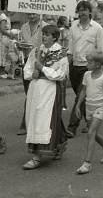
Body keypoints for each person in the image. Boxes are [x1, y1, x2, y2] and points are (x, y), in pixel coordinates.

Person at [22, 25, 69, 170]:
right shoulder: (36, 51)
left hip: (49, 90)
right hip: (35, 90)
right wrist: (32, 74)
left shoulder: (61, 53)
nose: (44, 37)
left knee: (44, 120)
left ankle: (37, 156)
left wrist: (43, 69)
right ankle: (60, 143)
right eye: (43, 34)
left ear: (54, 37)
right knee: (35, 118)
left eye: (47, 34)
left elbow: (61, 74)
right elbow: (27, 68)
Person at [67, 0, 103, 137]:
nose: (83, 12)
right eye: (80, 10)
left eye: (85, 9)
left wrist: (100, 69)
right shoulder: (73, 26)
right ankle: (89, 121)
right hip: (75, 66)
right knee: (82, 96)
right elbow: (70, 49)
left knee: (80, 96)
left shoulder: (97, 28)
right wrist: (67, 68)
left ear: (90, 12)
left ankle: (72, 127)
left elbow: (101, 51)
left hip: (88, 68)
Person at [75, 52, 103, 174]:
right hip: (88, 107)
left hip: (99, 108)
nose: (87, 64)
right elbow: (83, 91)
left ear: (97, 65)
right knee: (94, 134)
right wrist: (77, 105)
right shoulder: (86, 75)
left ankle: (87, 163)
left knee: (90, 132)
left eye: (90, 62)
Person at [17, 13, 46, 135]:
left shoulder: (45, 26)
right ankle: (28, 121)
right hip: (27, 63)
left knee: (37, 94)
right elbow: (21, 42)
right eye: (29, 13)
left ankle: (27, 123)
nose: (31, 16)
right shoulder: (24, 27)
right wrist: (20, 46)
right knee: (29, 93)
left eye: (34, 13)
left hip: (40, 63)